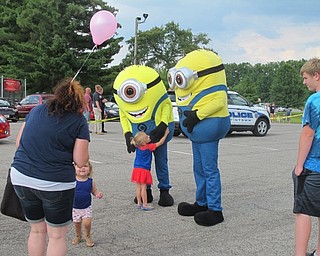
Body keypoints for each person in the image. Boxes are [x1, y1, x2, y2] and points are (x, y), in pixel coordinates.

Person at [10, 77, 90, 256]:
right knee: (56, 236)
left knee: (37, 230)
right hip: (55, 184)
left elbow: (18, 143)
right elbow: (80, 160)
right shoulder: (78, 121)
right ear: (78, 101)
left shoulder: (36, 110)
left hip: (21, 177)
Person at [169, 49, 230, 226]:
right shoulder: (193, 90)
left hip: (208, 130)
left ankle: (215, 209)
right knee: (199, 168)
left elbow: (219, 101)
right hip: (197, 135)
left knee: (210, 170)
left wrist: (198, 115)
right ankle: (201, 202)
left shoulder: (216, 89)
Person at [293, 58, 320, 256]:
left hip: (314, 166)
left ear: (316, 76)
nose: (304, 82)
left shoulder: (314, 101)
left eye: (305, 78)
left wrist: (299, 166)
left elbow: (308, 134)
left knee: (302, 211)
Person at [131, 128, 170, 211]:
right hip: (144, 170)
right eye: (147, 137)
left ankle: (139, 203)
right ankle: (145, 204)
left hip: (136, 168)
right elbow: (160, 142)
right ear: (143, 142)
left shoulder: (138, 147)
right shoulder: (149, 147)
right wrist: (165, 134)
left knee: (138, 187)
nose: (149, 136)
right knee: (144, 187)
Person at [72, 160, 103, 247]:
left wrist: (97, 193)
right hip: (75, 208)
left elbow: (94, 190)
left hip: (86, 207)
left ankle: (88, 235)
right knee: (77, 223)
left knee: (87, 223)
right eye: (79, 166)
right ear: (74, 169)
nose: (82, 168)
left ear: (89, 169)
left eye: (85, 166)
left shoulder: (90, 181)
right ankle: (78, 235)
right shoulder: (72, 181)